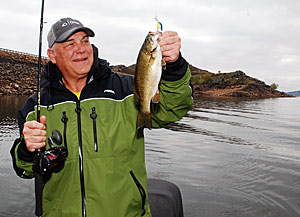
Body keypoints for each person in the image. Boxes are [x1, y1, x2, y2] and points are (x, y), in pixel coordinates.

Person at [10, 17, 193, 217]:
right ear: (52, 55)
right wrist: (28, 150)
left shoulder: (126, 90)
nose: (81, 49)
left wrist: (175, 67)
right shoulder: (35, 106)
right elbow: (24, 169)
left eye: (85, 41)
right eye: (70, 43)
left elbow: (173, 108)